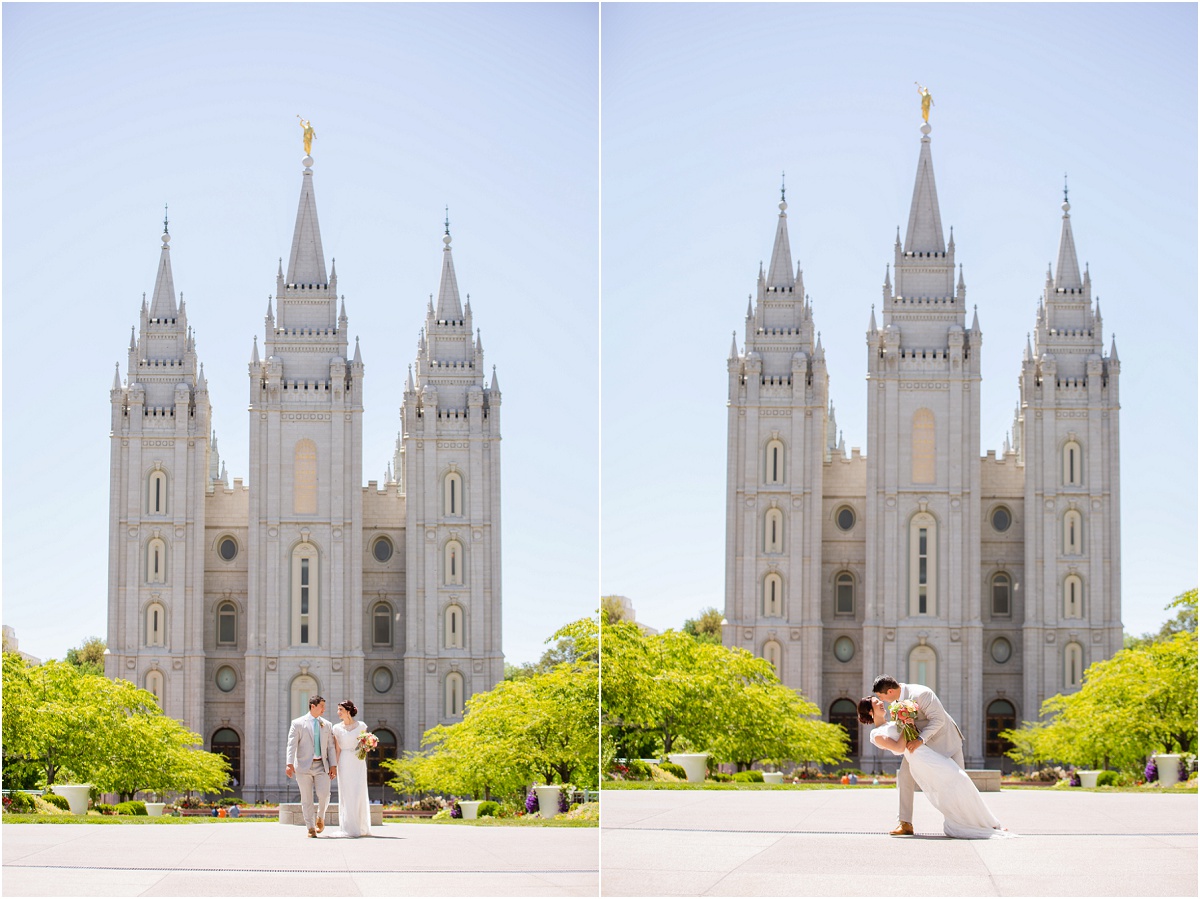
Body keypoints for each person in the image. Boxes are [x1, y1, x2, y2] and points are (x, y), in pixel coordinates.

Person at [859, 696, 1014, 839]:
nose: (881, 703)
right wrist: (905, 724)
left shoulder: (893, 723)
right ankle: (981, 824)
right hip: (920, 760)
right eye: (876, 703)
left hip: (928, 752)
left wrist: (909, 722)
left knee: (962, 781)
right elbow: (899, 748)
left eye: (880, 701)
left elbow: (914, 735)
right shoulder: (876, 734)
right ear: (870, 712)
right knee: (958, 781)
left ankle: (989, 823)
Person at [872, 674, 963, 835]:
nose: (882, 701)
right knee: (905, 776)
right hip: (920, 746)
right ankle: (905, 823)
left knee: (960, 782)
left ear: (890, 691)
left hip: (946, 741)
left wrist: (920, 739)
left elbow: (938, 720)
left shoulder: (922, 694)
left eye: (881, 697)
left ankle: (969, 822)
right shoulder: (896, 702)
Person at [285, 695, 338, 838]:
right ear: (312, 706)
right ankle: (310, 827)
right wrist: (289, 764)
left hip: (322, 765)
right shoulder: (297, 723)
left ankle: (320, 817)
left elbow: (331, 747)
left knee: (325, 794)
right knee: (307, 798)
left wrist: (333, 765)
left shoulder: (327, 725)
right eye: (321, 706)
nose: (324, 710)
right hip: (303, 767)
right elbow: (291, 745)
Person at [332, 699, 371, 837]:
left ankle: (360, 826)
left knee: (358, 792)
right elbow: (337, 750)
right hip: (344, 761)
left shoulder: (361, 726)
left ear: (348, 711)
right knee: (346, 793)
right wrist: (334, 767)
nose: (338, 713)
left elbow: (364, 746)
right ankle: (348, 827)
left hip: (358, 762)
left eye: (340, 710)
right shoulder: (336, 728)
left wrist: (368, 746)